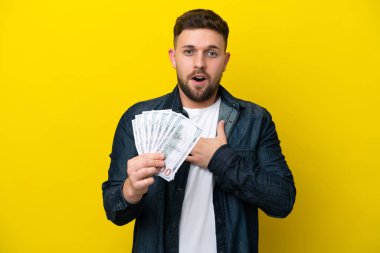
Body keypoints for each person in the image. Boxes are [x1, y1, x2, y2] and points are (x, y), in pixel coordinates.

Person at [102, 9, 296, 253]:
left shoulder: (255, 120)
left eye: (211, 53)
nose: (199, 64)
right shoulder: (137, 118)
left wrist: (221, 160)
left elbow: (282, 201)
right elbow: (113, 209)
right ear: (174, 58)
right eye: (189, 51)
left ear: (225, 61)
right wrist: (130, 190)